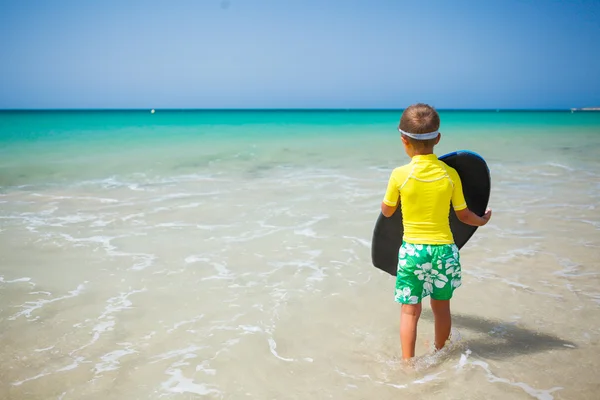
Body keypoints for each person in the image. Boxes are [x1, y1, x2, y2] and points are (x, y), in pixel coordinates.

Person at [380, 103, 492, 361]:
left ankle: (408, 363)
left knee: (410, 311)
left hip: (413, 252)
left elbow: (387, 212)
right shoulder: (450, 174)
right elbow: (464, 216)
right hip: (444, 251)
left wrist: (389, 204)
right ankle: (440, 353)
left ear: (403, 140)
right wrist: (482, 221)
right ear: (438, 138)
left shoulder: (399, 175)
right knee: (441, 308)